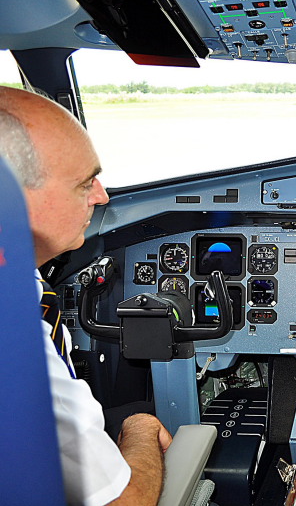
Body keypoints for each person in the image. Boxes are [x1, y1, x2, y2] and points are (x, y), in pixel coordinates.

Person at [0, 85, 172, 505]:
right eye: (84, 184)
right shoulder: (16, 342)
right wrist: (141, 430)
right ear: (12, 198)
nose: (102, 196)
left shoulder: (19, 278)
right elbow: (125, 502)